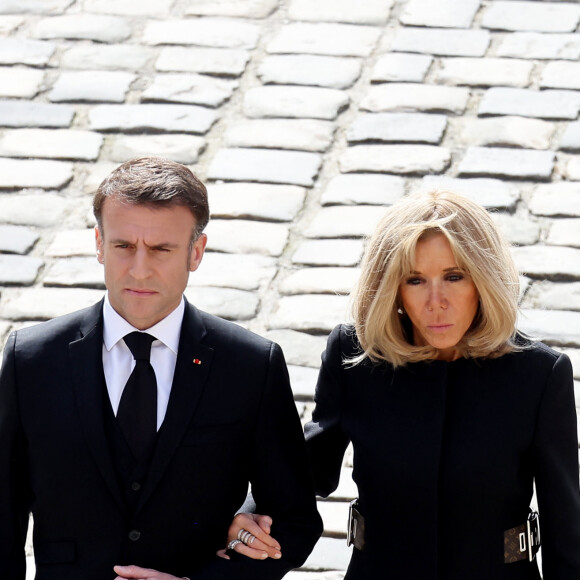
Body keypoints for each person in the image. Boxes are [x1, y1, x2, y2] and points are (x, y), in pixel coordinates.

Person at [223, 189, 580, 578]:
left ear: (484, 280)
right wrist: (245, 517)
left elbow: (567, 531)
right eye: (415, 280)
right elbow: (304, 471)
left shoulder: (539, 375)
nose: (436, 301)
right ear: (393, 288)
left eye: (454, 276)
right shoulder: (355, 358)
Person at [0, 156, 322, 580]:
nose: (139, 268)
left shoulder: (250, 366)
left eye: (161, 249)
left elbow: (294, 521)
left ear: (196, 251)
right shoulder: (32, 360)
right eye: (123, 246)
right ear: (99, 243)